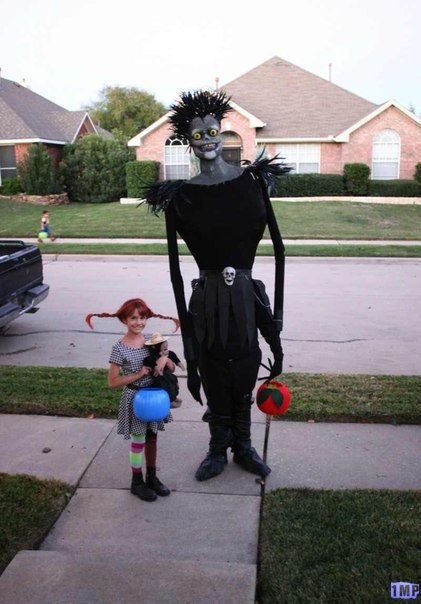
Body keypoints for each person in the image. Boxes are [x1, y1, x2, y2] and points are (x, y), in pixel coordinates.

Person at [144, 90, 290, 482]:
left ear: (221, 133)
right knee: (212, 366)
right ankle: (216, 449)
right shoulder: (180, 196)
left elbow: (278, 250)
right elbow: (175, 271)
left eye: (212, 132)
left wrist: (275, 329)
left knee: (244, 366)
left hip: (245, 293)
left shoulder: (253, 181)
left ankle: (243, 446)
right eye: (198, 135)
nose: (207, 140)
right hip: (206, 296)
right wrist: (189, 352)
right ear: (188, 141)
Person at [85, 298, 179, 502]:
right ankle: (137, 482)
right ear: (124, 320)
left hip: (154, 397)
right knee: (139, 439)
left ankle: (152, 477)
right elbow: (112, 382)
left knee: (152, 437)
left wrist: (165, 358)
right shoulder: (119, 348)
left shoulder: (152, 342)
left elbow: (172, 368)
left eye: (142, 318)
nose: (139, 322)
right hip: (135, 398)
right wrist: (138, 374)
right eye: (133, 318)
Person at [144, 333, 184, 408]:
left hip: (168, 375)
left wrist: (179, 363)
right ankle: (170, 399)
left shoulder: (167, 354)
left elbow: (173, 356)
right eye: (165, 349)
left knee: (173, 380)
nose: (167, 351)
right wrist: (155, 367)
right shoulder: (151, 358)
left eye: (167, 348)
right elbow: (148, 361)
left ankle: (174, 396)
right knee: (165, 385)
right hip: (159, 378)